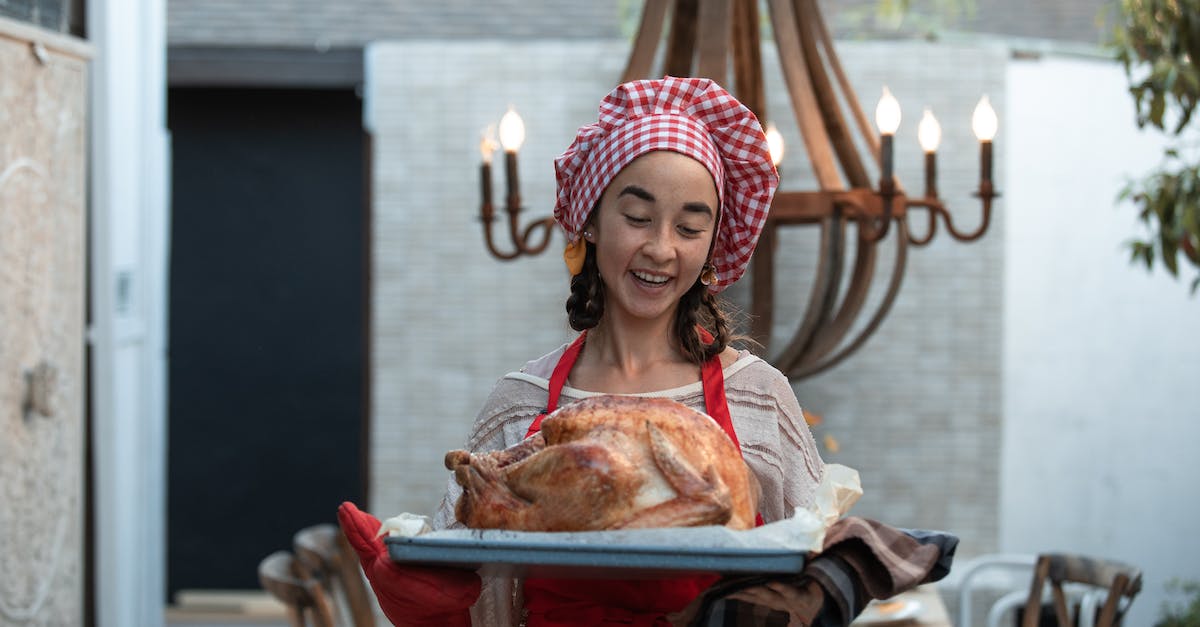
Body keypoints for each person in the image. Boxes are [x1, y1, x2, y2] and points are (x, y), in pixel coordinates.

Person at [339, 76, 829, 626]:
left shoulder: (757, 399)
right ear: (591, 220)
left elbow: (818, 562)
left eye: (690, 227)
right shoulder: (520, 405)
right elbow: (480, 595)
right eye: (638, 218)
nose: (662, 248)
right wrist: (424, 600)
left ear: (713, 245)